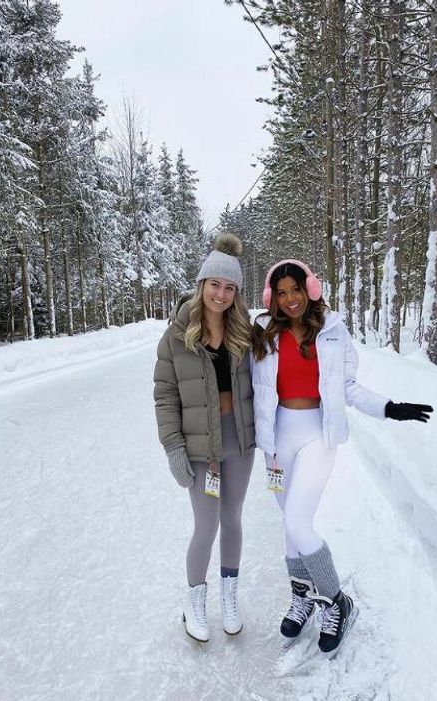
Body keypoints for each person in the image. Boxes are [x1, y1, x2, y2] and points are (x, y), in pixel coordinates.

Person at [250, 259, 433, 654]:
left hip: (318, 433)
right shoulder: (263, 331)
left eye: (295, 289)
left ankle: (336, 601)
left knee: (300, 522)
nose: (289, 299)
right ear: (271, 298)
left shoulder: (332, 329)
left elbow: (347, 387)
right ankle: (302, 595)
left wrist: (390, 407)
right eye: (280, 293)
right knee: (290, 524)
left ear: (310, 288)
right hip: (277, 438)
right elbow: (243, 381)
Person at [154, 232, 257, 643]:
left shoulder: (245, 332)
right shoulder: (178, 335)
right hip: (200, 447)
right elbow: (164, 394)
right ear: (202, 285)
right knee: (207, 524)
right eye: (215, 284)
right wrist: (174, 447)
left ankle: (229, 595)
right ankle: (194, 599)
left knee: (232, 518)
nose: (221, 293)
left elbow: (269, 379)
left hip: (238, 440)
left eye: (230, 287)